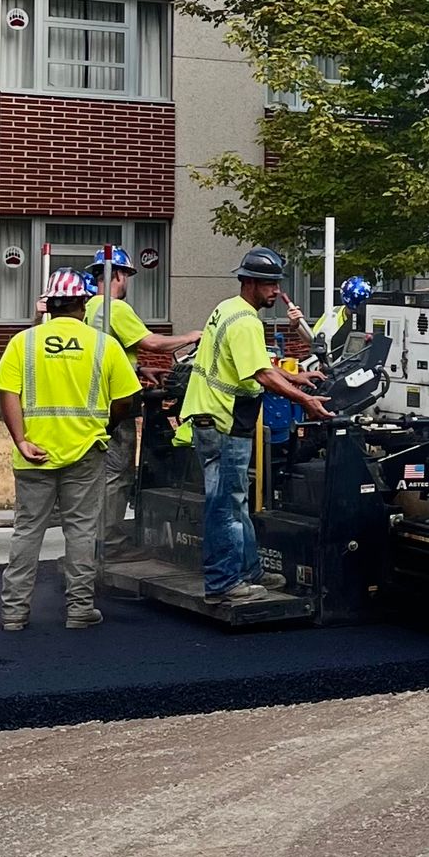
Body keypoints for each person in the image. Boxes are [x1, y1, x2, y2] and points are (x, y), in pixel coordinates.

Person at [175, 248, 331, 603]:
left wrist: (297, 375)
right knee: (226, 505)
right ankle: (224, 583)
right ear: (248, 282)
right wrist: (304, 399)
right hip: (225, 422)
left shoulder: (227, 309)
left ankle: (248, 571)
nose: (275, 291)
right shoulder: (246, 321)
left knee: (235, 500)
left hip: (213, 418)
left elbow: (255, 363)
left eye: (276, 284)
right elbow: (259, 374)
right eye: (268, 285)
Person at [0, 270, 143, 633]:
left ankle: (14, 613)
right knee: (80, 530)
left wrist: (21, 440)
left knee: (28, 532)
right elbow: (126, 397)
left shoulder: (23, 343)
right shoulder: (103, 344)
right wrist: (105, 425)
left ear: (51, 304)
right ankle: (79, 609)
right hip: (85, 451)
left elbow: (6, 393)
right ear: (82, 302)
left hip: (33, 453)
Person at [80, 248, 197, 559]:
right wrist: (192, 336)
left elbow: (106, 352)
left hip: (95, 400)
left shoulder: (90, 308)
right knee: (118, 474)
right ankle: (111, 545)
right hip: (117, 403)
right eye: (128, 275)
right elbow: (152, 343)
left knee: (102, 473)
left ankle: (94, 540)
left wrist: (140, 370)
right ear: (119, 274)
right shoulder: (116, 309)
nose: (127, 281)